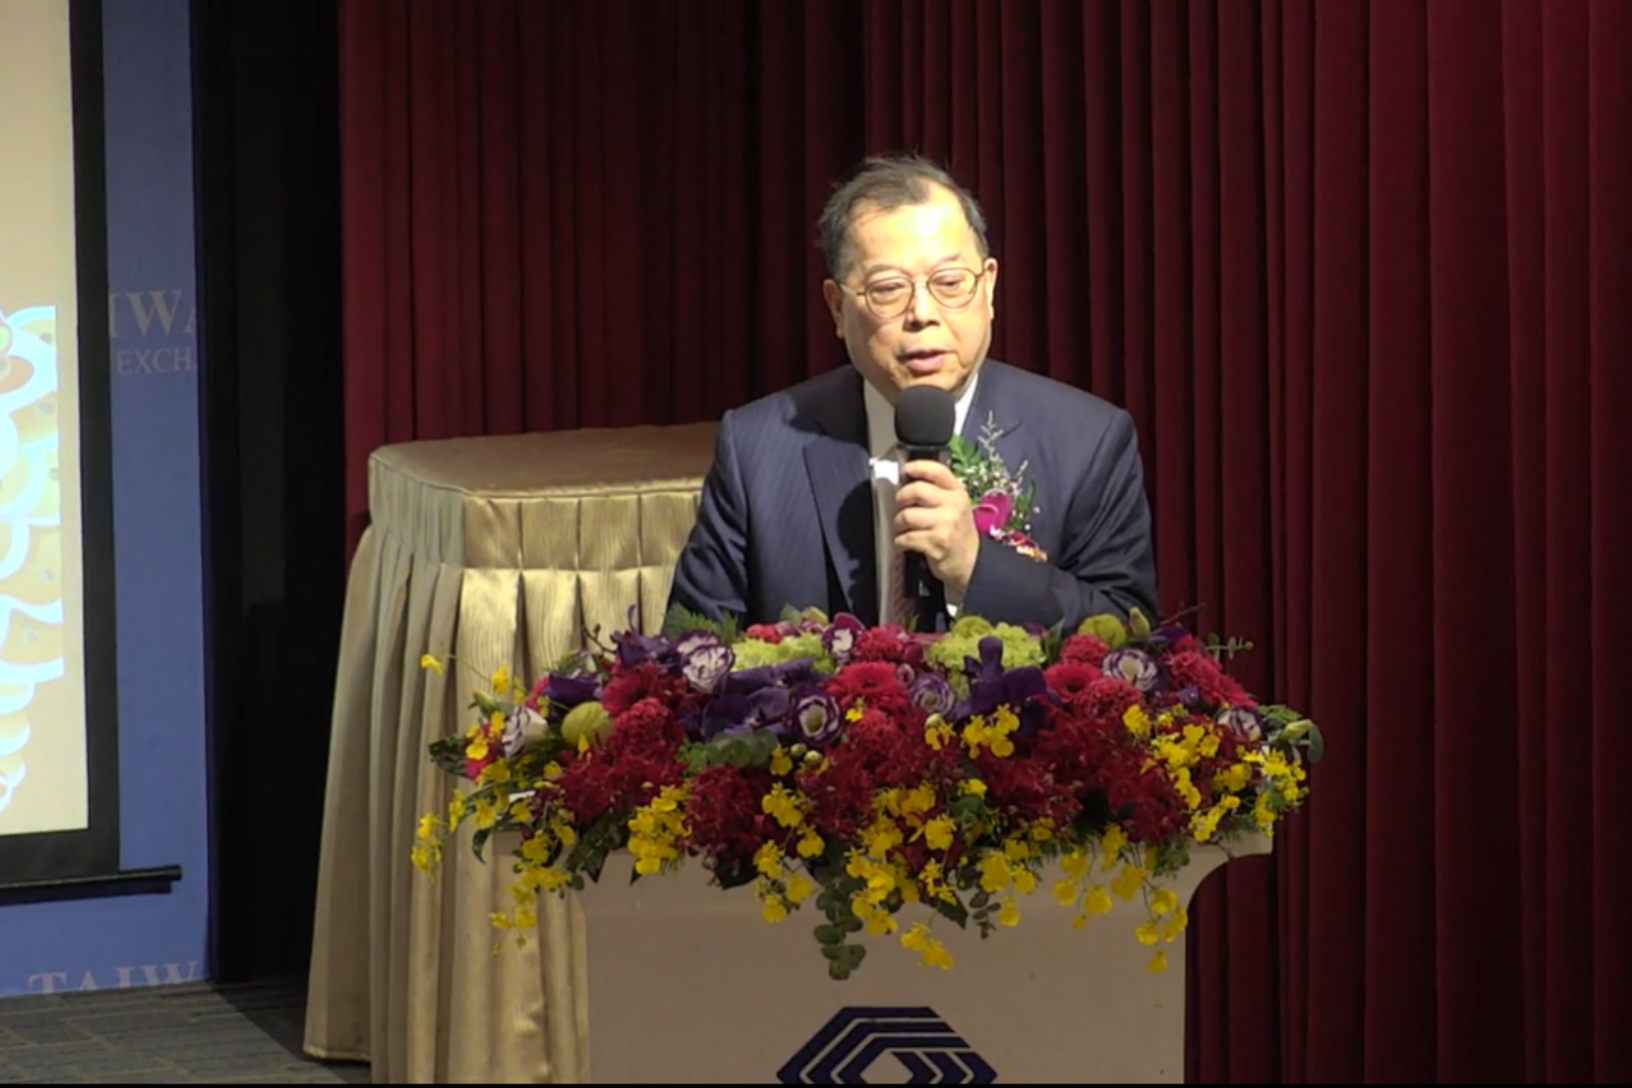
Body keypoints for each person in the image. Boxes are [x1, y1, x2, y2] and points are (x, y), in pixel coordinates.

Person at [667, 153, 1158, 634]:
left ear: (988, 288)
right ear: (837, 308)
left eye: (950, 282)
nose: (922, 313)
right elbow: (690, 653)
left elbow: (1131, 638)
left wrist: (977, 567)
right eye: (887, 289)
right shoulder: (755, 450)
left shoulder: (1087, 443)